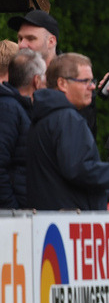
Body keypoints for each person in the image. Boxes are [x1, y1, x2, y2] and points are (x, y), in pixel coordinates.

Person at [25, 53, 109, 210]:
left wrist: (104, 196)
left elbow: (60, 179)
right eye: (84, 81)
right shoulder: (67, 118)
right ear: (62, 83)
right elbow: (80, 171)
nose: (92, 87)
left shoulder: (44, 116)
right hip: (68, 220)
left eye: (92, 81)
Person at [0, 49, 45, 208]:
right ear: (36, 81)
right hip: (13, 213)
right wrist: (12, 209)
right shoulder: (9, 109)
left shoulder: (21, 108)